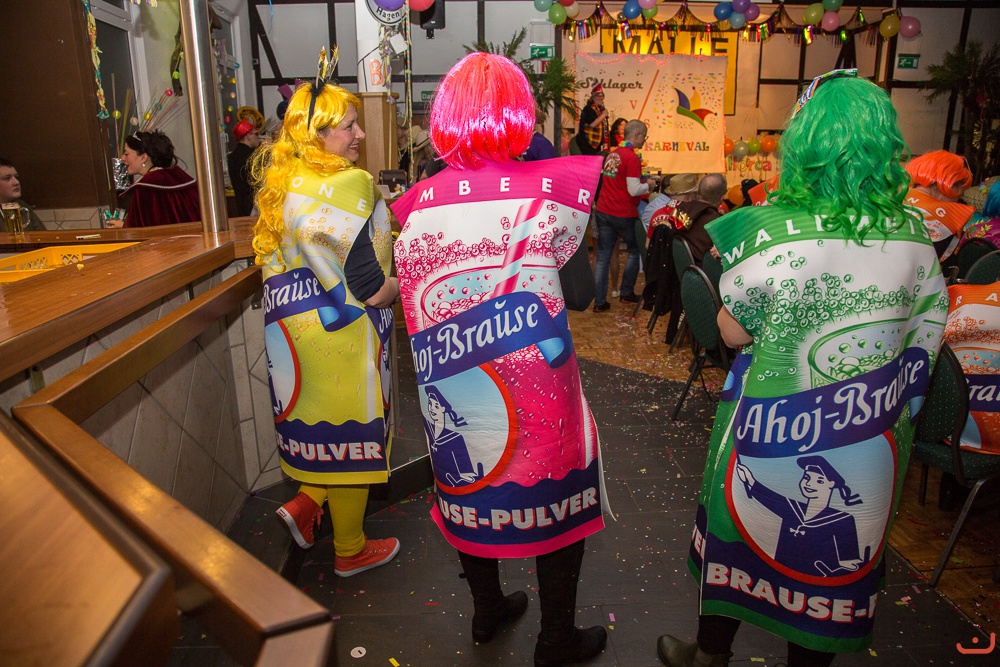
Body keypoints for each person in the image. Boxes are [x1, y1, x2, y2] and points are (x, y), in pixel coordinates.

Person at [657, 70, 948, 667]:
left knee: (737, 536)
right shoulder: (918, 236)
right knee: (829, 590)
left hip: (768, 423)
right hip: (868, 441)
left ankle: (709, 655)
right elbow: (924, 341)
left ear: (804, 144)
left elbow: (732, 333)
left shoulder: (770, 232)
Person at [391, 52, 609, 667]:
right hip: (539, 390)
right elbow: (580, 294)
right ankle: (556, 640)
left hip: (454, 389)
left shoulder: (415, 208)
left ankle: (487, 611)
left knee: (470, 486)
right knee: (556, 501)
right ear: (520, 116)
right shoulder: (549, 195)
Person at [250, 63, 400, 578]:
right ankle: (350, 550)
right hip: (344, 341)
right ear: (318, 134)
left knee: (325, 435)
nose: (360, 135)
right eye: (349, 126)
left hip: (294, 340)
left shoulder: (281, 183)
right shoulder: (351, 184)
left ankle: (306, 502)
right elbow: (369, 285)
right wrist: (402, 285)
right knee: (352, 442)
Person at [592, 119, 649, 311]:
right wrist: (649, 185)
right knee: (635, 249)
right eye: (644, 137)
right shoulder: (631, 158)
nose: (644, 141)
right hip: (622, 212)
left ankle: (599, 302)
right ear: (637, 135)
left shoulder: (613, 154)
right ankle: (626, 292)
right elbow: (634, 189)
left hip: (604, 210)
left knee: (602, 257)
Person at [110, 130, 201, 228]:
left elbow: (139, 229)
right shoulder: (183, 179)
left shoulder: (144, 189)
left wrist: (123, 225)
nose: (122, 158)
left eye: (126, 154)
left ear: (143, 157)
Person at [904, 150, 974, 260]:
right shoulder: (944, 223)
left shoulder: (888, 200)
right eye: (960, 194)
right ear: (952, 185)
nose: (957, 201)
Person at [672, 173, 727, 264]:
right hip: (704, 270)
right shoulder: (718, 222)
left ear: (698, 193)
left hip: (678, 268)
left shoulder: (679, 210)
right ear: (722, 197)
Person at [227, 118, 261, 216]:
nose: (258, 138)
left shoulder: (232, 156)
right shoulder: (252, 156)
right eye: (256, 134)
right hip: (255, 207)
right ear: (249, 135)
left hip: (241, 207)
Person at [0, 157, 45, 231]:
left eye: (16, 177)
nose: (16, 182)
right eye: (7, 178)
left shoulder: (22, 205)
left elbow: (42, 235)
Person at [575, 83, 609, 156]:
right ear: (593, 97)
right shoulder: (588, 108)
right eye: (597, 96)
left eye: (602, 96)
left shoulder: (600, 109)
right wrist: (603, 115)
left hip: (597, 143)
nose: (600, 98)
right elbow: (592, 124)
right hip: (587, 142)